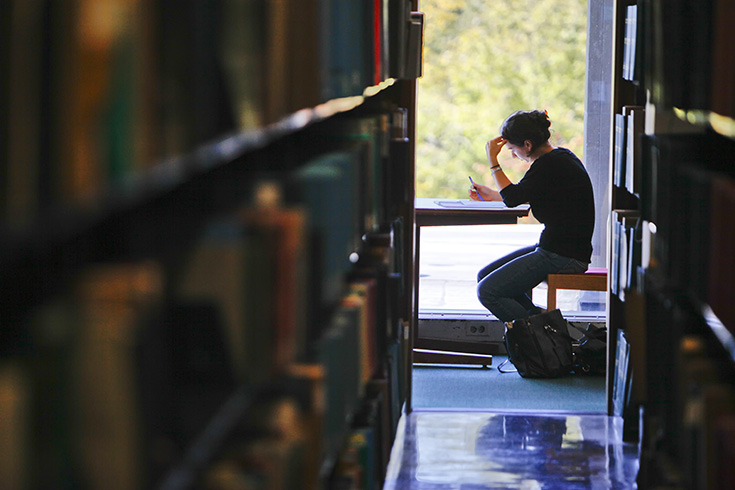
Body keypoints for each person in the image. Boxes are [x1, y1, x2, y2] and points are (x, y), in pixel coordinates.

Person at [469, 110, 595, 322]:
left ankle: (539, 333)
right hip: (558, 248)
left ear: (527, 145)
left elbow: (512, 197)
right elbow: (522, 195)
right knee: (486, 276)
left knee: (488, 291)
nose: (512, 155)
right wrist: (492, 195)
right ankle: (538, 322)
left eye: (512, 149)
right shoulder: (559, 158)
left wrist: (493, 162)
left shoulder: (548, 164)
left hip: (563, 255)